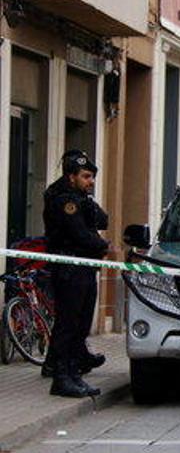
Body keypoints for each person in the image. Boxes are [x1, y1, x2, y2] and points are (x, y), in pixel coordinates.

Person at [42, 150, 110, 398]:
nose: (90, 182)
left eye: (92, 177)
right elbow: (80, 235)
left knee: (80, 325)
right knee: (68, 325)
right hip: (70, 270)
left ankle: (74, 374)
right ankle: (61, 376)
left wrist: (89, 200)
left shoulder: (81, 199)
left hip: (83, 269)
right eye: (86, 177)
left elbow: (104, 220)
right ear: (71, 177)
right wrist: (104, 246)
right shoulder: (64, 201)